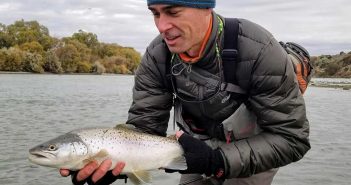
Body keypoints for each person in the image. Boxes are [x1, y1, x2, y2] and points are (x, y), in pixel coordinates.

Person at [60, 0, 311, 184]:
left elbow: (292, 139)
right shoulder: (157, 56)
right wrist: (118, 165)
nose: (161, 25)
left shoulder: (258, 50)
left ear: (206, 8)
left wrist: (217, 161)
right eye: (155, 13)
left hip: (254, 147)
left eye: (172, 12)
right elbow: (145, 129)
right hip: (192, 146)